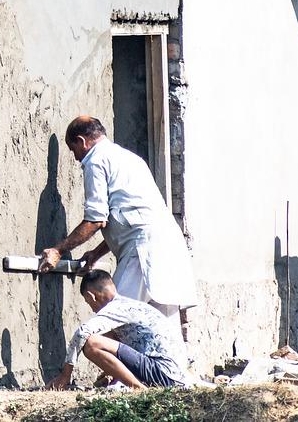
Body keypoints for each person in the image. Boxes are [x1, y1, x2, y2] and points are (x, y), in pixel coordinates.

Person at [38, 116, 197, 329]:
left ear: (81, 141)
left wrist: (58, 250)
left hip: (143, 251)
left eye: (73, 149)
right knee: (163, 337)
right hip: (167, 247)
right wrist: (96, 253)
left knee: (112, 324)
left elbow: (96, 219)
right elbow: (130, 215)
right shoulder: (130, 158)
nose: (75, 158)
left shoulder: (95, 160)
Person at [47, 269, 190, 389]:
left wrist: (65, 376)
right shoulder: (130, 305)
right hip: (174, 375)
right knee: (107, 334)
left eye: (88, 301)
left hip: (163, 372)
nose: (91, 307)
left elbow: (82, 333)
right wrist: (114, 373)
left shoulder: (115, 309)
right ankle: (127, 383)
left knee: (92, 343)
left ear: (92, 296)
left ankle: (139, 389)